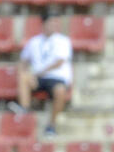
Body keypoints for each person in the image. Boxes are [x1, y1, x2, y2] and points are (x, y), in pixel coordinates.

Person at [12, 10, 73, 138]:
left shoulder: (63, 41)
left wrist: (39, 73)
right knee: (23, 77)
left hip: (56, 78)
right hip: (39, 78)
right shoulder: (34, 41)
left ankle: (51, 125)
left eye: (56, 23)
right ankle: (24, 108)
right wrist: (25, 72)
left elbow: (59, 62)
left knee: (60, 90)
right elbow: (23, 61)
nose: (54, 26)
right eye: (52, 22)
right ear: (44, 24)